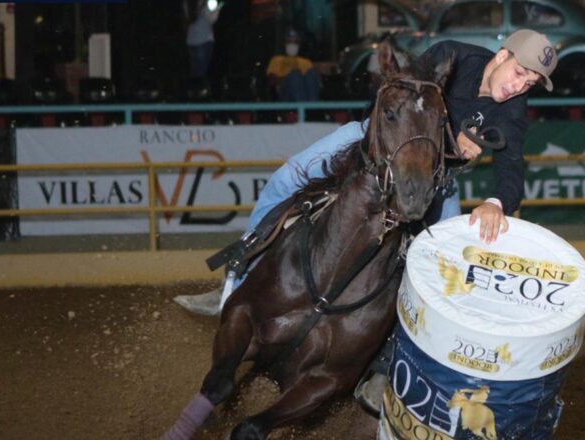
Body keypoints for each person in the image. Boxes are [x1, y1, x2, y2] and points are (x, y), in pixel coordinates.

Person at [174, 29, 559, 411]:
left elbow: (512, 171)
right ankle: (238, 279)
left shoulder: (512, 110)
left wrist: (494, 202)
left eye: (530, 82)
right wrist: (450, 136)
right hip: (372, 143)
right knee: (287, 179)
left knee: (441, 268)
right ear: (504, 54)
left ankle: (385, 367)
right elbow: (395, 91)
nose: (520, 86)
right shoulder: (452, 57)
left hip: (434, 177)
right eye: (520, 73)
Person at [266, 29, 320, 101]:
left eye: (295, 42)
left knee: (312, 73)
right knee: (295, 75)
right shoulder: (276, 60)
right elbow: (271, 81)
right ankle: (302, 105)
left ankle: (312, 105)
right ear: (285, 43)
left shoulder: (306, 62)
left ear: (299, 45)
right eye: (289, 42)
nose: (292, 45)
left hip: (305, 93)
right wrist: (287, 78)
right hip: (285, 93)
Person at [186, 0, 222, 78]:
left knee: (196, 72)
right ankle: (196, 89)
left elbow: (211, 19)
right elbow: (212, 19)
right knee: (199, 73)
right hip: (202, 40)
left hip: (195, 39)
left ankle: (195, 88)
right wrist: (217, 8)